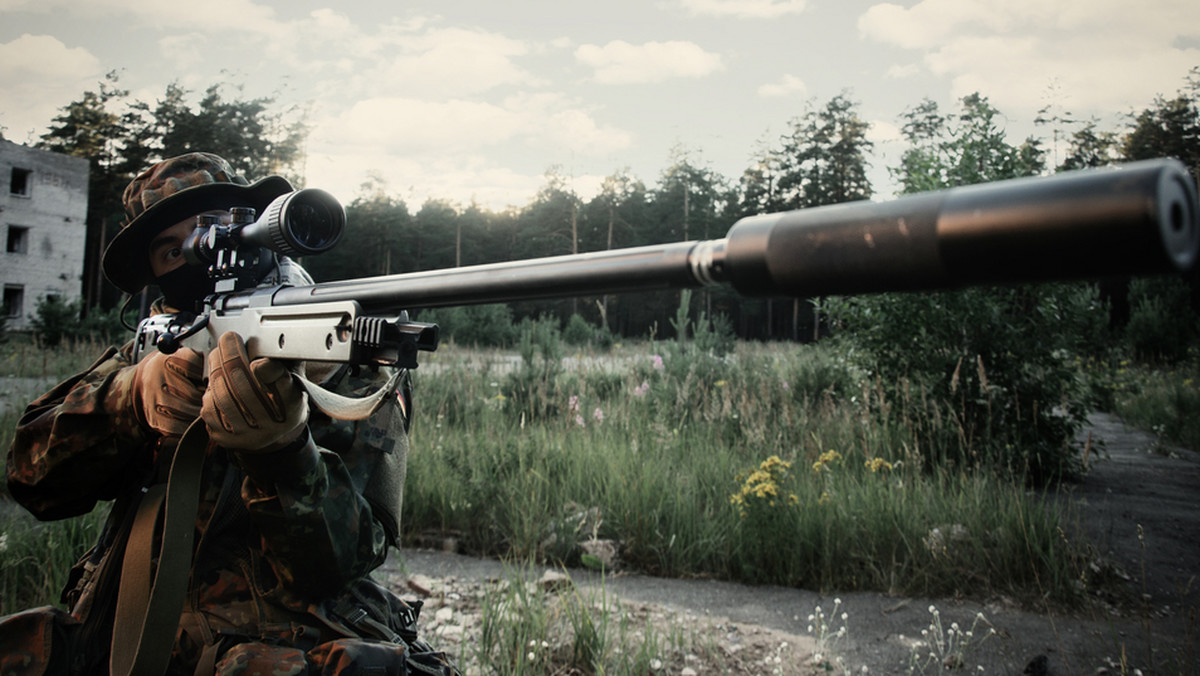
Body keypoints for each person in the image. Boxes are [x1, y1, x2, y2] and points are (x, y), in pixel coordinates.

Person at [1, 153, 456, 675]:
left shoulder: (342, 365)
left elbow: (341, 563)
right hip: (124, 629)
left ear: (259, 233)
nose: (196, 253)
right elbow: (30, 479)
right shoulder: (144, 356)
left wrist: (285, 454)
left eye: (212, 228)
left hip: (277, 645)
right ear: (154, 272)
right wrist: (127, 400)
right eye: (171, 250)